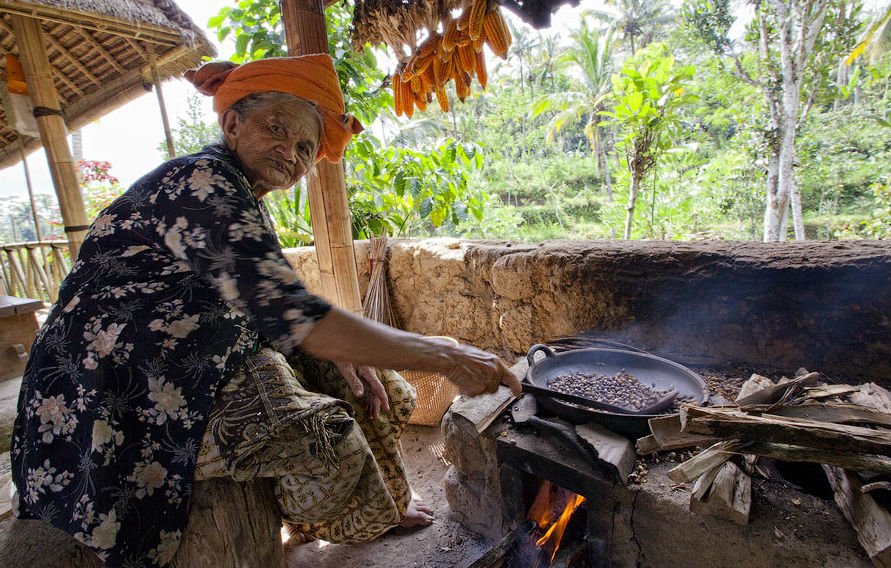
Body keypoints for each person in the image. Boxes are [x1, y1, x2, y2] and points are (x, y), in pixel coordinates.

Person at [10, 53, 521, 568]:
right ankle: (310, 521)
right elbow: (292, 313)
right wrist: (447, 355)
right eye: (276, 128)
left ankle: (385, 505)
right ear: (232, 124)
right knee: (323, 442)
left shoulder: (241, 194)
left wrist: (338, 348)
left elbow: (274, 303)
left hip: (197, 353)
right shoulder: (200, 181)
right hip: (116, 381)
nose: (292, 153)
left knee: (376, 387)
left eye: (305, 147)